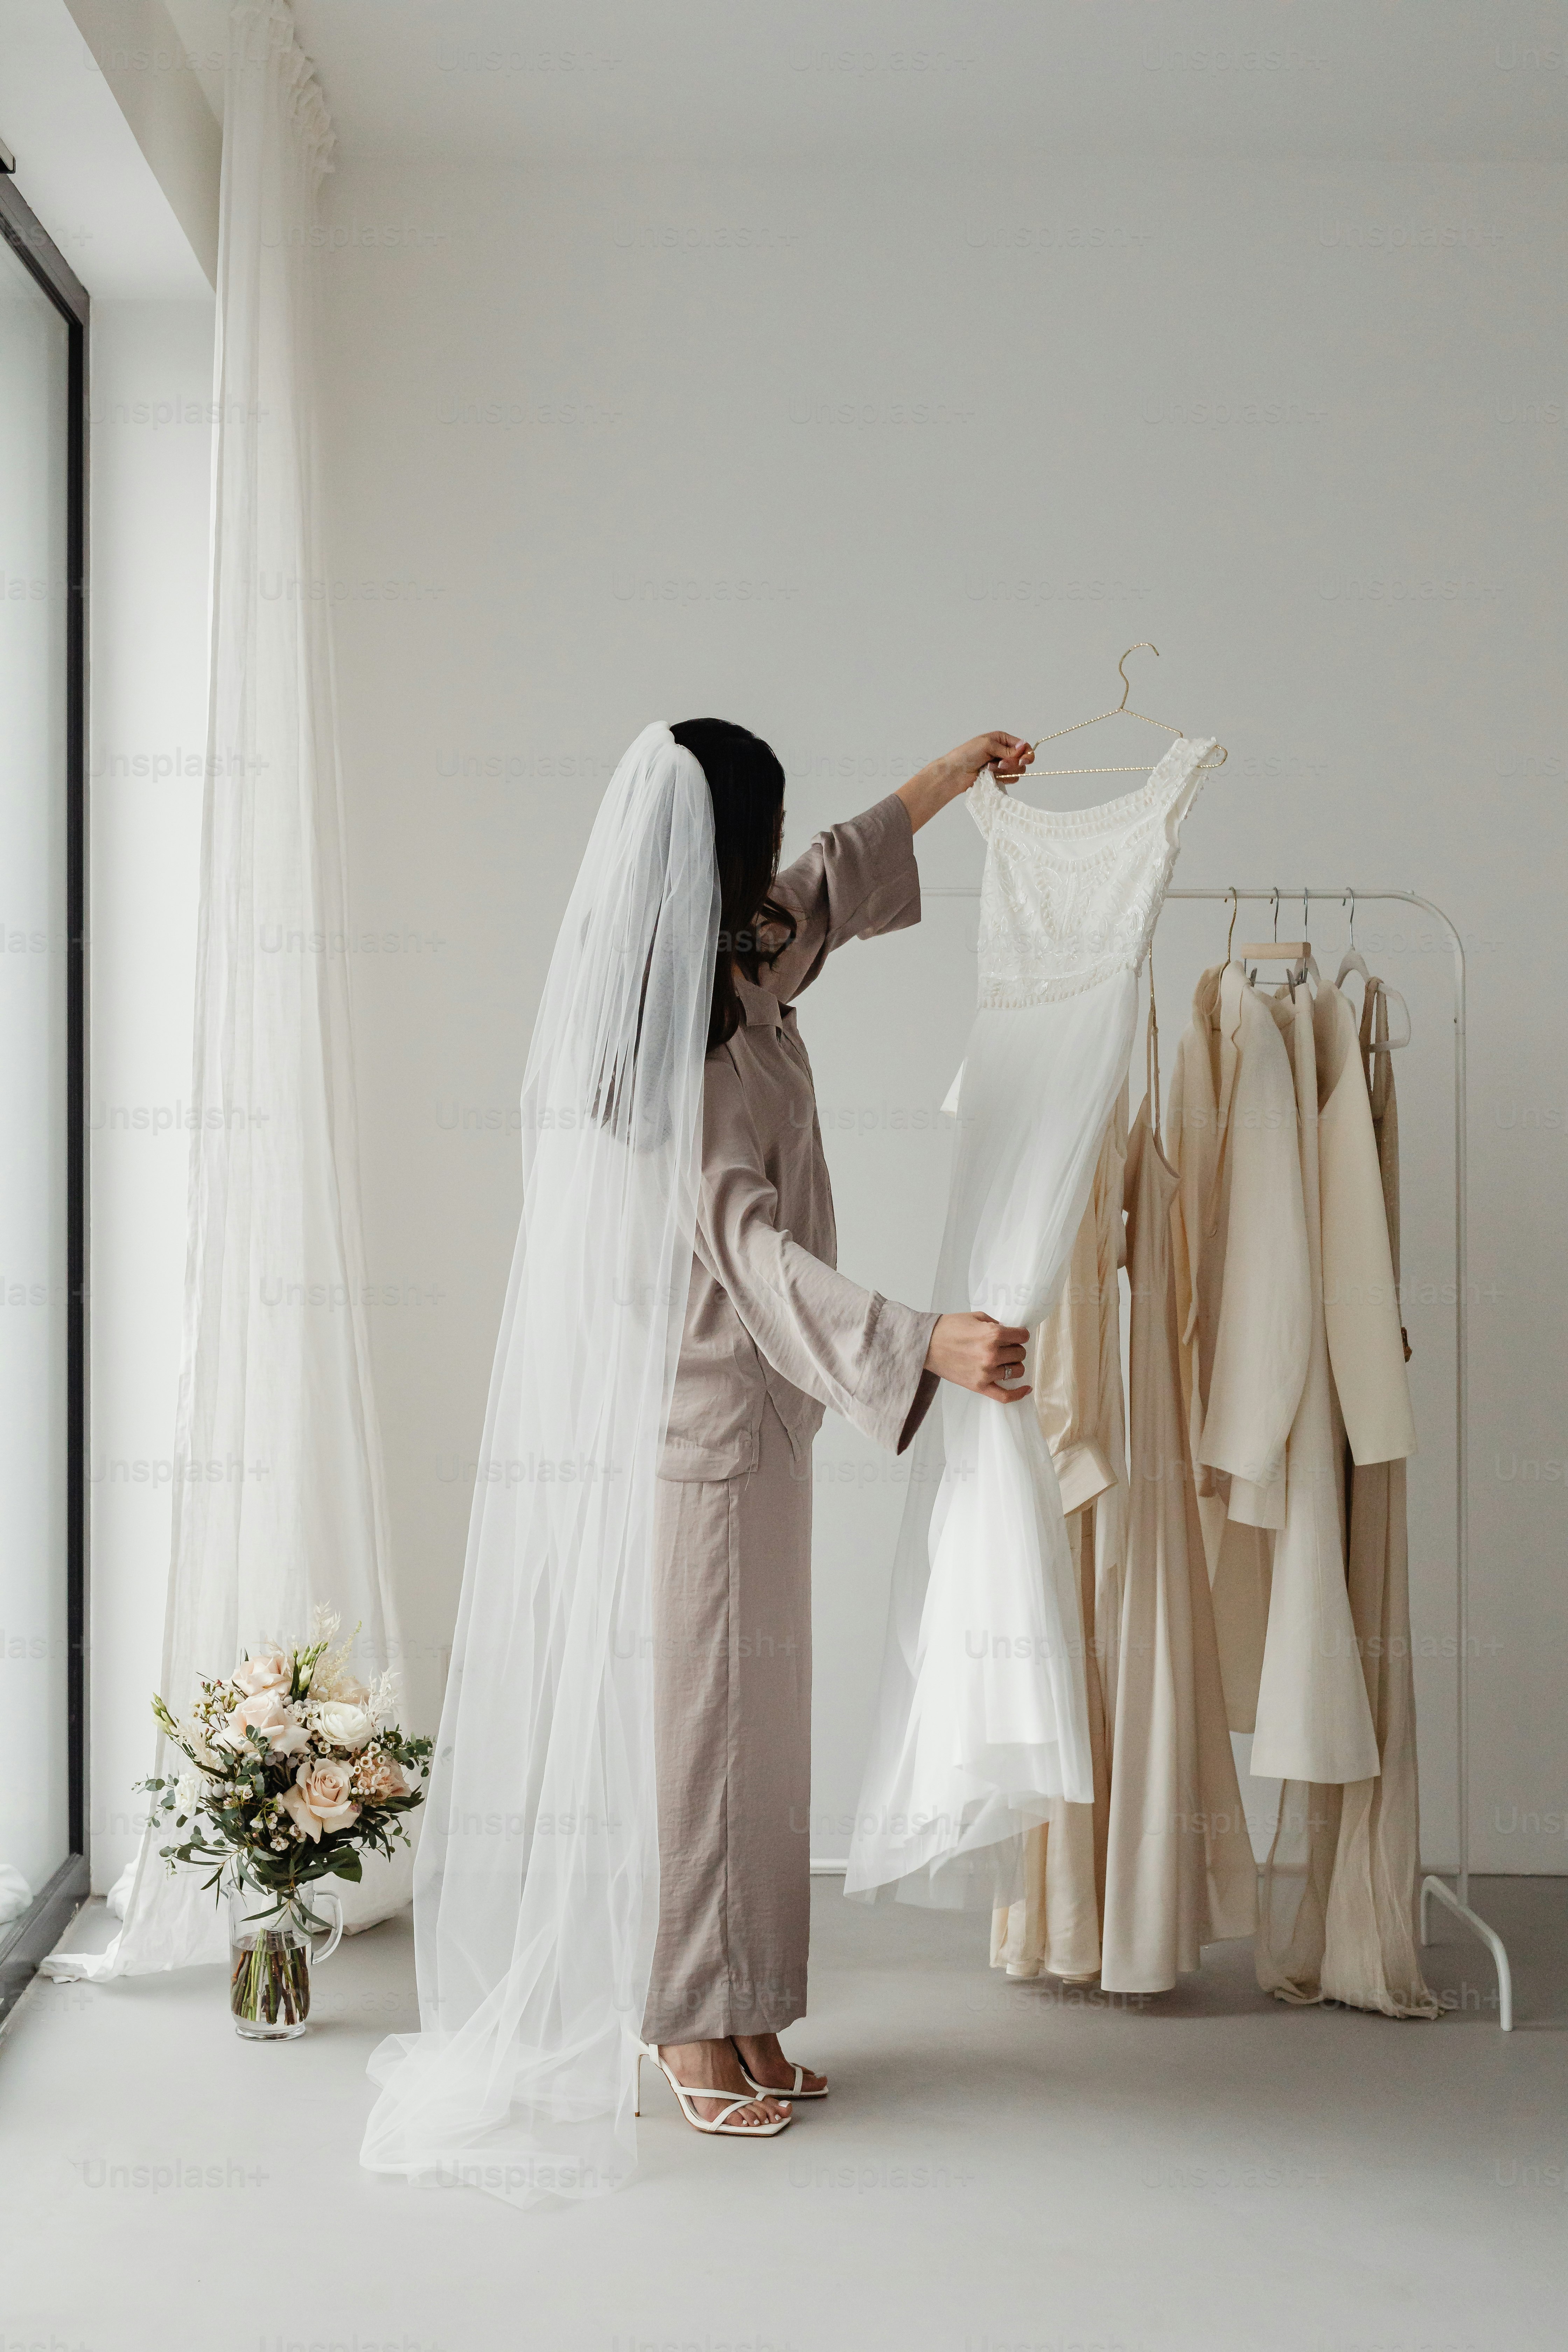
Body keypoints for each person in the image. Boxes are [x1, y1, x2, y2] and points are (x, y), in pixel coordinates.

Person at [640, 718, 1038, 2134]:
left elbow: (829, 881)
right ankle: (688, 2022)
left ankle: (745, 2002)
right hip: (706, 1429)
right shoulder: (675, 1047)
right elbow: (747, 1253)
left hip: (773, 1418)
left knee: (762, 1734)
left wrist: (950, 775)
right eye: (755, 828)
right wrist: (915, 1337)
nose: (772, 861)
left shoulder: (748, 957)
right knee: (709, 1730)